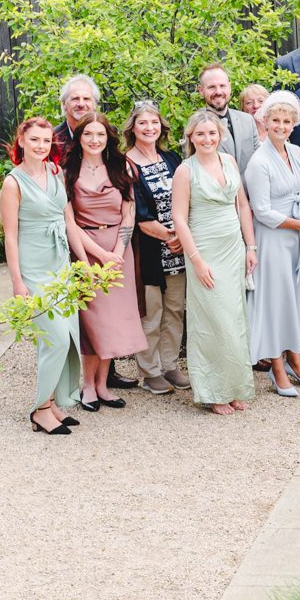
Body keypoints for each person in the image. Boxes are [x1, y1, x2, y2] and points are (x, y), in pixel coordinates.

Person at [171, 109, 258, 414]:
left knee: (234, 319)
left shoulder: (229, 161)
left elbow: (243, 205)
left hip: (233, 248)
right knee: (212, 321)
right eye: (200, 134)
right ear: (190, 138)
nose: (207, 139)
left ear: (220, 135)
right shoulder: (185, 170)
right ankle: (213, 391)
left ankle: (235, 386)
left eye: (212, 133)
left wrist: (251, 246)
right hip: (204, 251)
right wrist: (195, 260)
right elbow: (179, 218)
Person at [1, 116, 81, 434]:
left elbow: (68, 221)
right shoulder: (13, 183)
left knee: (68, 337)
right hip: (33, 271)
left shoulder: (55, 172)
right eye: (34, 140)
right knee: (55, 339)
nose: (40, 146)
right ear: (21, 141)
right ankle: (40, 410)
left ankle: (53, 402)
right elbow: (9, 236)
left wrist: (81, 264)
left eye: (46, 141)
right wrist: (17, 282)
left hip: (60, 266)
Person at [64, 113, 146, 412]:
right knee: (92, 323)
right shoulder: (68, 171)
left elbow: (129, 214)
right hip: (85, 251)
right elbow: (70, 223)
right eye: (88, 134)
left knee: (111, 322)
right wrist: (92, 259)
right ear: (80, 137)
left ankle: (102, 385)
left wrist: (117, 253)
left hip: (118, 252)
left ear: (108, 137)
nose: (94, 140)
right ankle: (86, 385)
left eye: (100, 134)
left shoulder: (121, 167)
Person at [245, 91, 300, 397]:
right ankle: (277, 369)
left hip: (299, 237)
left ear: (293, 124)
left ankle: (296, 361)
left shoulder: (297, 153)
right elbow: (261, 211)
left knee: (297, 299)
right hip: (274, 238)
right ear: (266, 122)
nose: (281, 126)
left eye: (286, 121)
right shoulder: (258, 161)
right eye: (275, 120)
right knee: (276, 302)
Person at [123, 102, 188, 394]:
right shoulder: (127, 164)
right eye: (143, 123)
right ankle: (150, 371)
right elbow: (138, 214)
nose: (150, 128)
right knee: (152, 312)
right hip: (149, 250)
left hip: (177, 250)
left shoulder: (172, 158)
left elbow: (187, 197)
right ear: (132, 128)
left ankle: (170, 365)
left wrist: (181, 238)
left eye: (154, 122)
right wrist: (170, 236)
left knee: (175, 309)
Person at [196, 66, 261, 171]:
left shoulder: (247, 120)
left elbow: (259, 159)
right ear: (201, 90)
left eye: (222, 86)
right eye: (211, 87)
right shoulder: (195, 127)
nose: (218, 91)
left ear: (229, 87)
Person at [53, 75, 101, 166]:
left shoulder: (106, 136)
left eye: (86, 99)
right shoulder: (52, 139)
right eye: (75, 99)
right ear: (63, 104)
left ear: (94, 104)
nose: (81, 104)